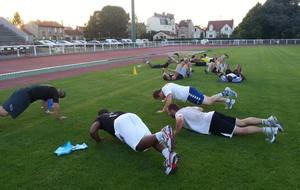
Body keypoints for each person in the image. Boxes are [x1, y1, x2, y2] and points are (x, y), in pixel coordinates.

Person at [89, 109, 179, 175]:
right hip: (131, 115)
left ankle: (163, 133)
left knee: (138, 146)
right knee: (150, 139)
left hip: (120, 123)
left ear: (100, 114)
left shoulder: (100, 118)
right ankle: (169, 156)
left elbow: (92, 131)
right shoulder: (116, 112)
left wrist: (98, 140)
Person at [167, 104, 284, 143]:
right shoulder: (187, 107)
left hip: (211, 123)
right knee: (242, 122)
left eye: (168, 112)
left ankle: (269, 130)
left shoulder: (178, 114)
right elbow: (200, 109)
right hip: (213, 114)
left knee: (240, 130)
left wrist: (176, 132)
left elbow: (180, 120)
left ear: (173, 110)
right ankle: (268, 121)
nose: (169, 115)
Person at [152, 83, 237, 113]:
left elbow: (169, 98)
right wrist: (165, 103)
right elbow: (167, 98)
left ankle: (226, 92)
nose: (162, 99)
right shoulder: (166, 87)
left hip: (189, 94)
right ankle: (228, 101)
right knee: (209, 99)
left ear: (160, 94)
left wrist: (164, 109)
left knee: (209, 102)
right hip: (190, 92)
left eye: (160, 98)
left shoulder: (166, 89)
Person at [0, 84, 66, 120]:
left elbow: (44, 101)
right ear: (59, 95)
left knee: (5, 110)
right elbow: (56, 106)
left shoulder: (49, 91)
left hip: (22, 93)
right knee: (5, 113)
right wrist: (58, 117)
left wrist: (46, 111)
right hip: (24, 96)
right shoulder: (54, 91)